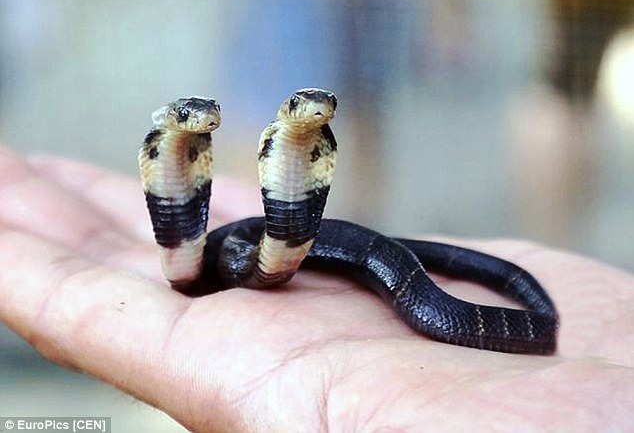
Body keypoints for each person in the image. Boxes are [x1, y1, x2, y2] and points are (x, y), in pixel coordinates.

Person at [0, 144, 631, 432]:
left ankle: (518, 298)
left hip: (375, 277)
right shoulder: (228, 238)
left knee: (392, 262)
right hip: (237, 249)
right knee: (266, 244)